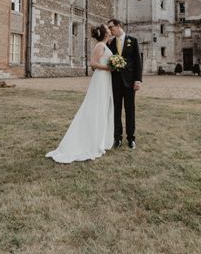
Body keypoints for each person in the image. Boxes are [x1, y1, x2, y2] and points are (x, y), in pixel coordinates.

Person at [46, 24, 114, 163]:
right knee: (95, 107)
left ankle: (99, 139)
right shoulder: (100, 46)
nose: (110, 30)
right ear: (106, 34)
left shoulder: (104, 45)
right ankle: (88, 141)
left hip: (106, 79)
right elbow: (93, 63)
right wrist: (109, 67)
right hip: (101, 78)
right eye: (108, 29)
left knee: (102, 108)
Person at [106, 19, 142, 149]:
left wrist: (138, 80)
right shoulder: (110, 43)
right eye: (109, 29)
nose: (110, 30)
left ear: (119, 26)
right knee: (116, 110)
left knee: (130, 110)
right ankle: (117, 138)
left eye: (111, 27)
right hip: (115, 82)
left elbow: (138, 61)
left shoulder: (132, 41)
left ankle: (131, 138)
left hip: (130, 82)